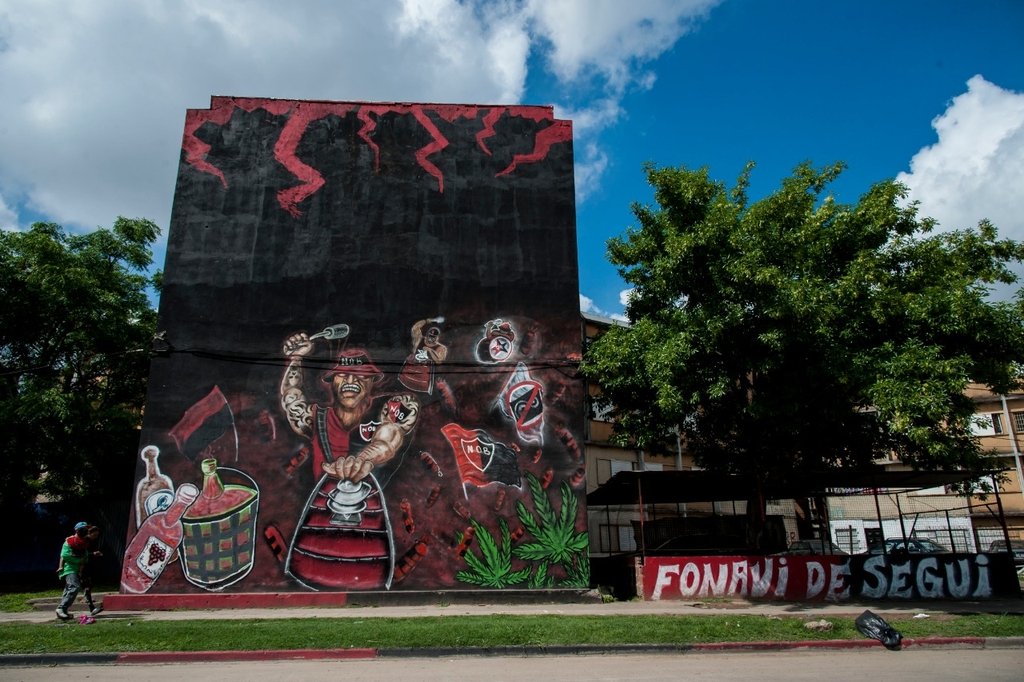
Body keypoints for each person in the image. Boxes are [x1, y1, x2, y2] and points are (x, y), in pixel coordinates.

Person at [280, 338, 419, 485]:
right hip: (323, 503)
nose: (351, 380)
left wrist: (362, 460)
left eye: (361, 374)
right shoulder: (316, 418)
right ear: (333, 382)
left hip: (373, 504)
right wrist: (296, 358)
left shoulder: (391, 405)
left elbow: (390, 434)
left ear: (371, 381)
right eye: (342, 374)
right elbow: (291, 396)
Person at [56, 522, 101, 620]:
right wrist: (79, 560)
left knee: (68, 590)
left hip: (76, 570)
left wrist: (85, 558)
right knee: (74, 586)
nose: (86, 532)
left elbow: (84, 556)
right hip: (69, 569)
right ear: (78, 531)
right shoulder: (70, 541)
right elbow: (65, 556)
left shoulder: (84, 543)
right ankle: (61, 608)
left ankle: (63, 611)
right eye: (84, 530)